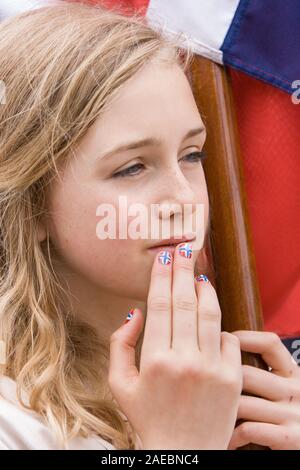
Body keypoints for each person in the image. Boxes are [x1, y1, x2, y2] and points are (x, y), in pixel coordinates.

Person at [0, 1, 299, 450]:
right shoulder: (12, 420)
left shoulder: (231, 378)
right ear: (33, 203)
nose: (185, 200)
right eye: (133, 167)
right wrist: (180, 447)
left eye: (192, 155)